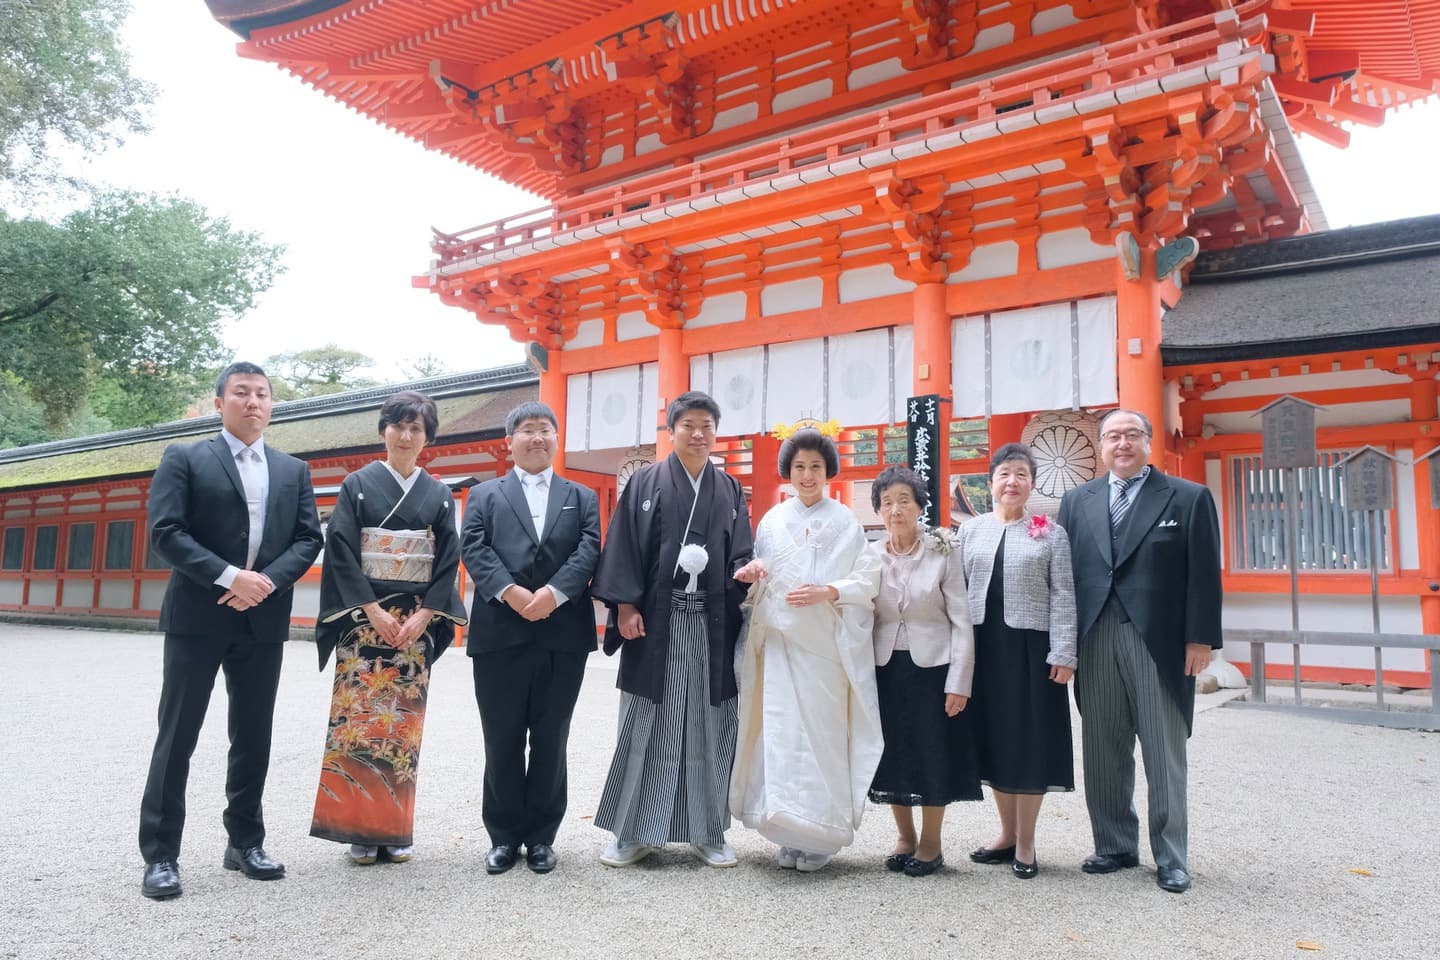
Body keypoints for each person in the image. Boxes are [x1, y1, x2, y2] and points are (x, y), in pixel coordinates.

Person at [138, 361, 323, 900]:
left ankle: (245, 842)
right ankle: (161, 854)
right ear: (220, 403)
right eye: (241, 393)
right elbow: (166, 530)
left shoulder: (292, 469)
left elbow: (308, 538)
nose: (253, 402)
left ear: (271, 405)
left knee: (253, 733)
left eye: (262, 394)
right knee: (178, 733)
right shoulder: (186, 457)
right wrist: (229, 576)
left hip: (262, 617)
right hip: (198, 615)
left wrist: (264, 583)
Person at [1056, 409, 1222, 894]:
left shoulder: (1187, 497)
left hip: (1159, 640)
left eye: (1132, 435)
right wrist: (1062, 644)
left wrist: (1200, 639)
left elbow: (1204, 574)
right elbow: (1064, 577)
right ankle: (1114, 845)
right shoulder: (1077, 501)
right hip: (1095, 634)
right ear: (1101, 446)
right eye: (1112, 436)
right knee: (1103, 745)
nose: (1122, 443)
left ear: (1149, 443)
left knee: (1163, 747)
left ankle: (1171, 856)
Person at [592, 391, 754, 868]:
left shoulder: (728, 489)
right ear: (672, 431)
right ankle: (633, 832)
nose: (698, 434)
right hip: (655, 623)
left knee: (712, 722)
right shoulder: (645, 482)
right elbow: (622, 545)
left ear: (716, 432)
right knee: (645, 719)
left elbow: (741, 549)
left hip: (711, 621)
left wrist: (746, 570)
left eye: (707, 426)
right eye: (688, 425)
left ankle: (709, 831)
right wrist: (625, 606)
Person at [309, 391, 468, 866]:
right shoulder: (356, 484)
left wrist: (425, 614)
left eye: (416, 428)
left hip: (414, 625)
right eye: (398, 425)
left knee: (401, 727)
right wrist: (373, 610)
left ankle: (394, 830)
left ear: (427, 438)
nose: (405, 435)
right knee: (358, 726)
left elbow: (448, 557)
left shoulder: (438, 494)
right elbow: (341, 549)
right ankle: (357, 830)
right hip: (363, 622)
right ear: (384, 431)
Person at [730, 428, 882, 872]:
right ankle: (787, 829)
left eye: (816, 466)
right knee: (780, 734)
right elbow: (761, 570)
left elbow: (867, 579)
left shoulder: (845, 521)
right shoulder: (773, 520)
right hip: (780, 641)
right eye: (799, 467)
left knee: (821, 735)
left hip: (824, 645)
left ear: (828, 471)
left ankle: (821, 833)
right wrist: (755, 572)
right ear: (788, 472)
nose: (808, 475)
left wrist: (829, 591)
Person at [460, 401, 600, 876]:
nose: (537, 437)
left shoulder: (581, 496)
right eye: (527, 430)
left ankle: (541, 837)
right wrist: (512, 592)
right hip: (500, 630)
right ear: (510, 441)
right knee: (501, 737)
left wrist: (554, 594)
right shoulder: (485, 495)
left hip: (563, 633)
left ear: (556, 439)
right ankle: (502, 836)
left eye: (545, 430)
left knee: (550, 736)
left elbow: (589, 548)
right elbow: (473, 546)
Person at [956, 443, 1077, 880]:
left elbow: (1064, 595)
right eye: (1004, 474)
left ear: (1032, 484)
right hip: (982, 648)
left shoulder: (1049, 532)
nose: (1012, 481)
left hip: (1031, 651)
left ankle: (1027, 841)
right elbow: (955, 592)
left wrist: (1064, 652)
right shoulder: (970, 531)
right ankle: (1006, 834)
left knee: (1030, 741)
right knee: (995, 739)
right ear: (990, 483)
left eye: (1021, 474)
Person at [867, 465, 981, 877]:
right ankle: (905, 836)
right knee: (893, 752)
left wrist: (959, 682)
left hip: (933, 668)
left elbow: (962, 620)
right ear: (879, 511)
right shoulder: (870, 555)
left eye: (904, 501)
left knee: (933, 752)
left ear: (919, 507)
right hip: (884, 668)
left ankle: (931, 842)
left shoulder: (942, 551)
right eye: (887, 503)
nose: (896, 510)